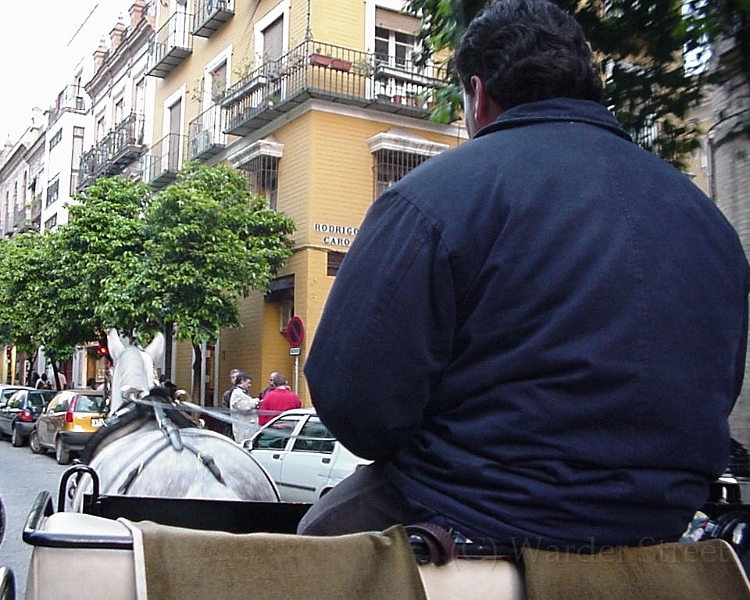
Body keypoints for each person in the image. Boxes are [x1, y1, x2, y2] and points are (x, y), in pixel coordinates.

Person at [298, 0, 750, 554]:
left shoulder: (430, 198)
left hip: (477, 510)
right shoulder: (707, 218)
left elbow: (355, 406)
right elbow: (719, 386)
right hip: (663, 520)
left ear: (479, 94)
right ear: (589, 87)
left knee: (319, 531)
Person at [229, 372, 258, 442]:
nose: (249, 385)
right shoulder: (237, 393)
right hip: (242, 428)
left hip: (245, 427)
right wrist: (255, 402)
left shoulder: (242, 393)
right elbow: (244, 406)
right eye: (248, 383)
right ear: (242, 381)